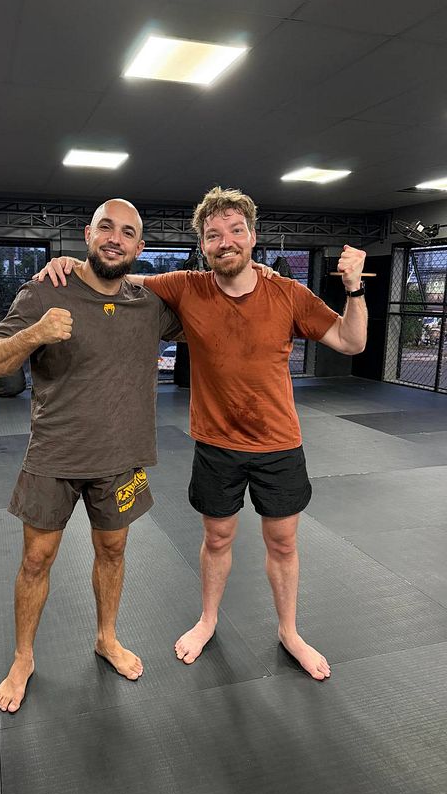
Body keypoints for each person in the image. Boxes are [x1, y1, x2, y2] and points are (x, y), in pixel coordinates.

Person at [37, 186, 368, 681]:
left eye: (236, 231)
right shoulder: (187, 287)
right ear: (204, 245)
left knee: (283, 542)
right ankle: (208, 619)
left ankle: (289, 631)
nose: (225, 241)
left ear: (252, 237)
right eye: (214, 235)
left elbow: (351, 340)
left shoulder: (287, 293)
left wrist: (355, 288)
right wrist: (66, 265)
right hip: (216, 444)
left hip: (279, 443)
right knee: (216, 538)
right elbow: (117, 276)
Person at [0, 198, 183, 712]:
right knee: (35, 559)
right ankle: (24, 657)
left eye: (128, 232)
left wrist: (258, 269)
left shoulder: (149, 304)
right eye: (106, 228)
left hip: (121, 459)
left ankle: (106, 637)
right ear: (87, 236)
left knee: (113, 551)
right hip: (53, 454)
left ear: (140, 246)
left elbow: (215, 298)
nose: (116, 238)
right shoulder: (46, 288)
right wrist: (35, 333)